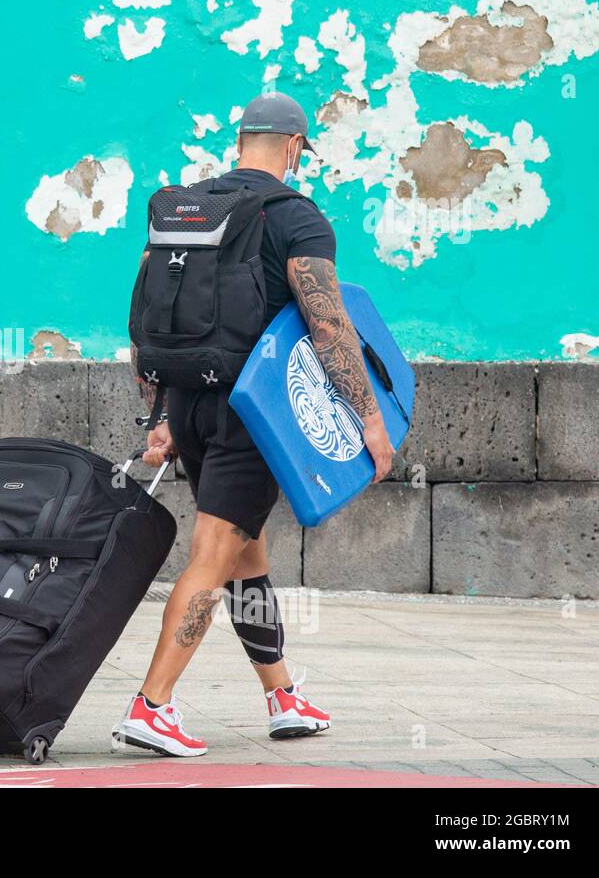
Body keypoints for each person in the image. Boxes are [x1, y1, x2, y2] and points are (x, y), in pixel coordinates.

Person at [114, 92, 394, 756]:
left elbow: (146, 314)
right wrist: (371, 420)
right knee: (214, 557)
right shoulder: (297, 218)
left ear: (241, 142)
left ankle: (282, 696)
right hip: (254, 415)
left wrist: (165, 415)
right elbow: (328, 326)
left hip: (190, 402)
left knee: (246, 555)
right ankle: (152, 706)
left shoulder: (188, 208)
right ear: (297, 148)